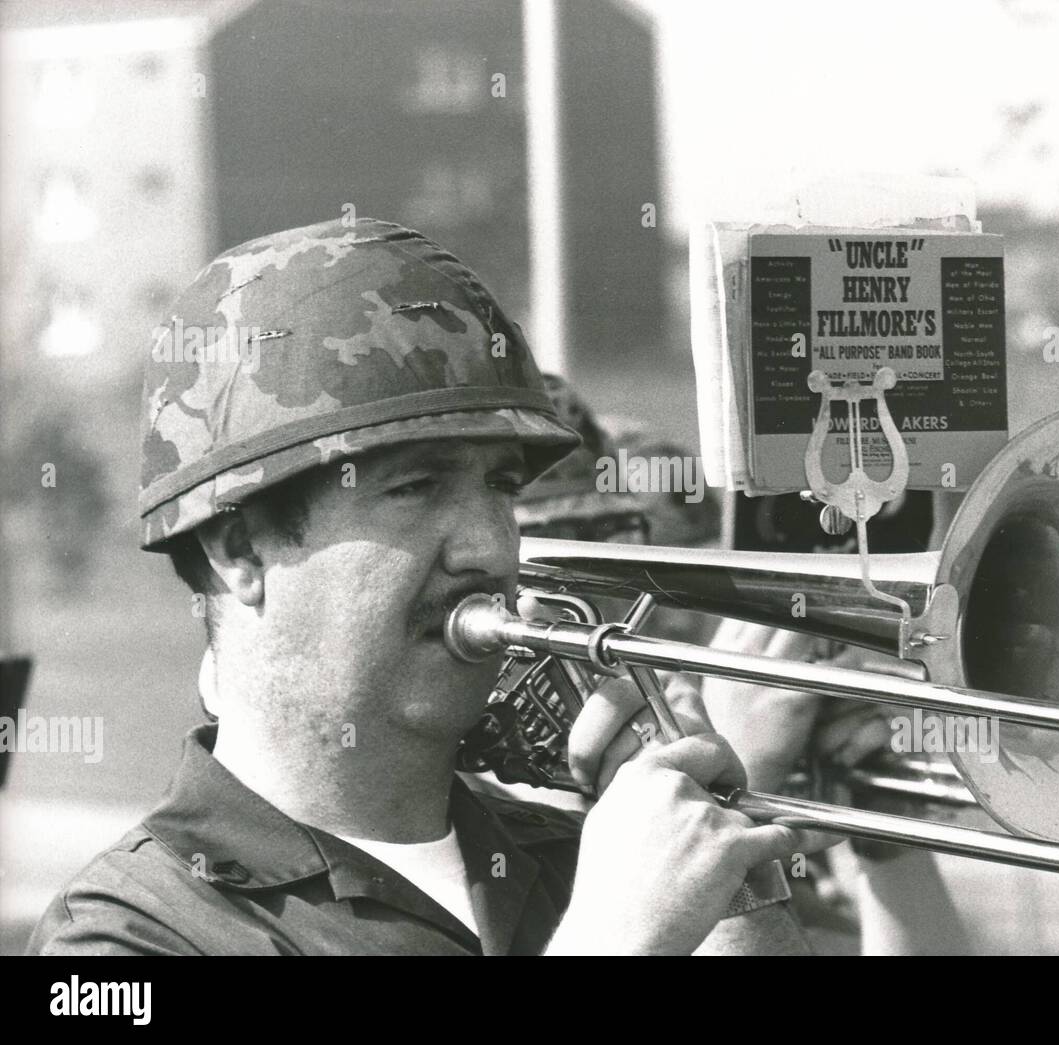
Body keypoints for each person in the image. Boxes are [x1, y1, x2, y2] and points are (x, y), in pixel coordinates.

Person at [26, 217, 809, 956]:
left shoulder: (590, 858)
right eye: (415, 487)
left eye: (502, 486)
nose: (491, 546)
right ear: (241, 549)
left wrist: (728, 872)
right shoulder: (127, 930)